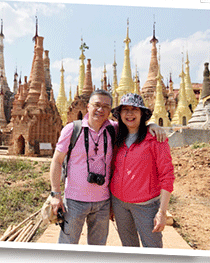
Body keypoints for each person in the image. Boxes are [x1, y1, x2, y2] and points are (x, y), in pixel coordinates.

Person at [49, 90, 166, 245]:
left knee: (98, 249)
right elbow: (56, 161)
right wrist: (55, 195)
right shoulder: (72, 129)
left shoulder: (113, 129)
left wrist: (152, 125)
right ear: (88, 106)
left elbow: (132, 124)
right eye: (97, 105)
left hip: (103, 203)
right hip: (74, 201)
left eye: (106, 106)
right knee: (67, 245)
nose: (101, 110)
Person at [110, 93, 175, 248]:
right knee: (129, 246)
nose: (129, 114)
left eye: (134, 110)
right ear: (120, 115)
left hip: (146, 205)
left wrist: (162, 212)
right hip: (119, 204)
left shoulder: (155, 138)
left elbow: (167, 176)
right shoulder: (117, 137)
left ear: (142, 114)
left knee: (152, 249)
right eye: (125, 110)